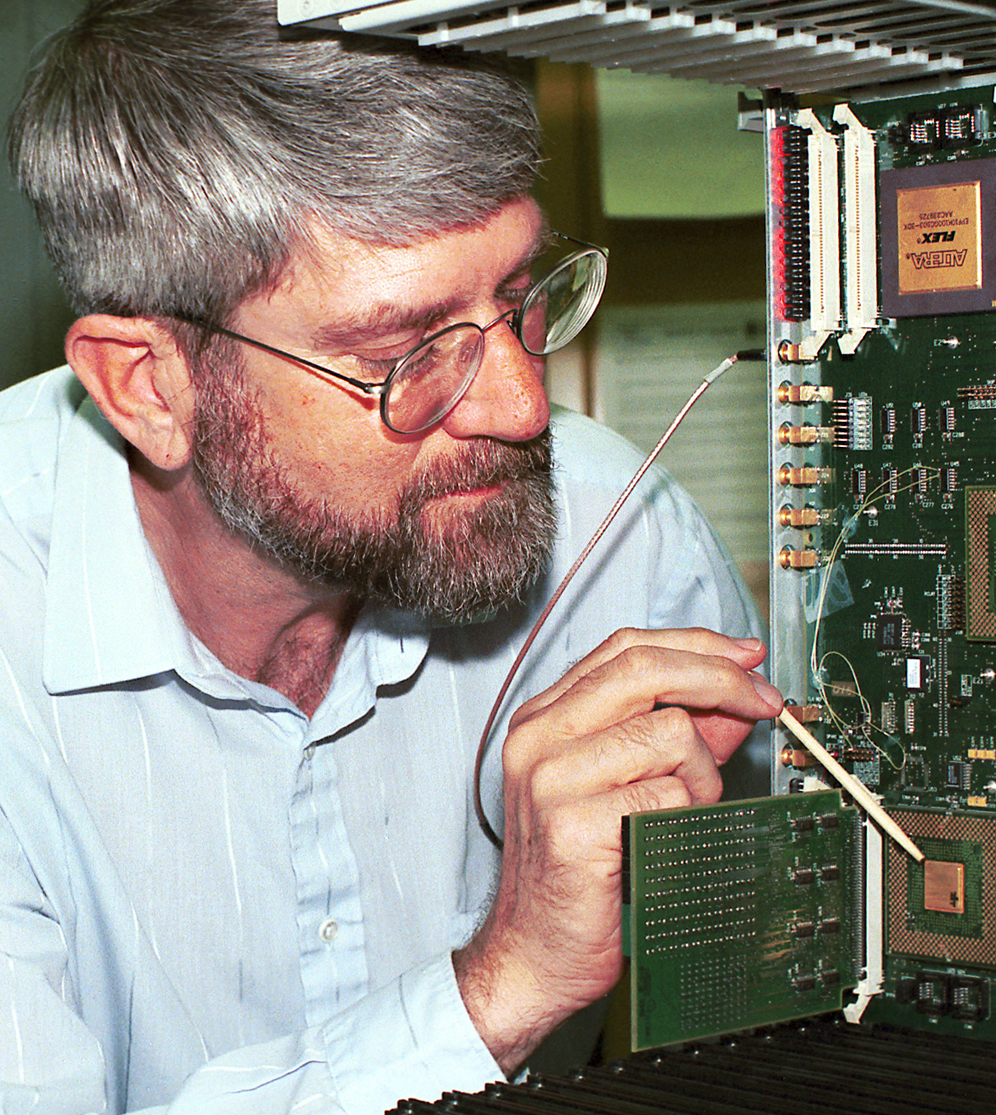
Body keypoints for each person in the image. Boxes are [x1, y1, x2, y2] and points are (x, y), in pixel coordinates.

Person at [0, 1, 782, 1112]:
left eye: (516, 301)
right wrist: (497, 988)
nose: (520, 407)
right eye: (402, 353)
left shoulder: (618, 535)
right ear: (149, 385)